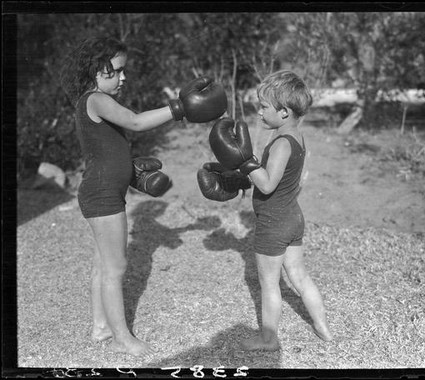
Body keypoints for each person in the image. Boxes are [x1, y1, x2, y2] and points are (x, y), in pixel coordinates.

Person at [60, 36, 226, 356]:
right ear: (98, 70)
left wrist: (129, 169)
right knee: (115, 268)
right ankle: (122, 338)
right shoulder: (96, 99)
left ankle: (100, 328)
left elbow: (105, 149)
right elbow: (135, 122)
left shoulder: (90, 102)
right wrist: (179, 108)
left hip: (103, 190)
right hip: (102, 195)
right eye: (117, 71)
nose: (124, 77)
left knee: (102, 264)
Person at [207, 70, 333, 351]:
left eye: (264, 107)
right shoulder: (296, 137)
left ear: (284, 112)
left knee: (269, 284)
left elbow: (267, 183)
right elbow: (282, 179)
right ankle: (322, 326)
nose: (260, 113)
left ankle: (268, 339)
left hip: (273, 222)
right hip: (292, 217)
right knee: (299, 276)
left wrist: (246, 162)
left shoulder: (280, 143)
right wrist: (242, 176)